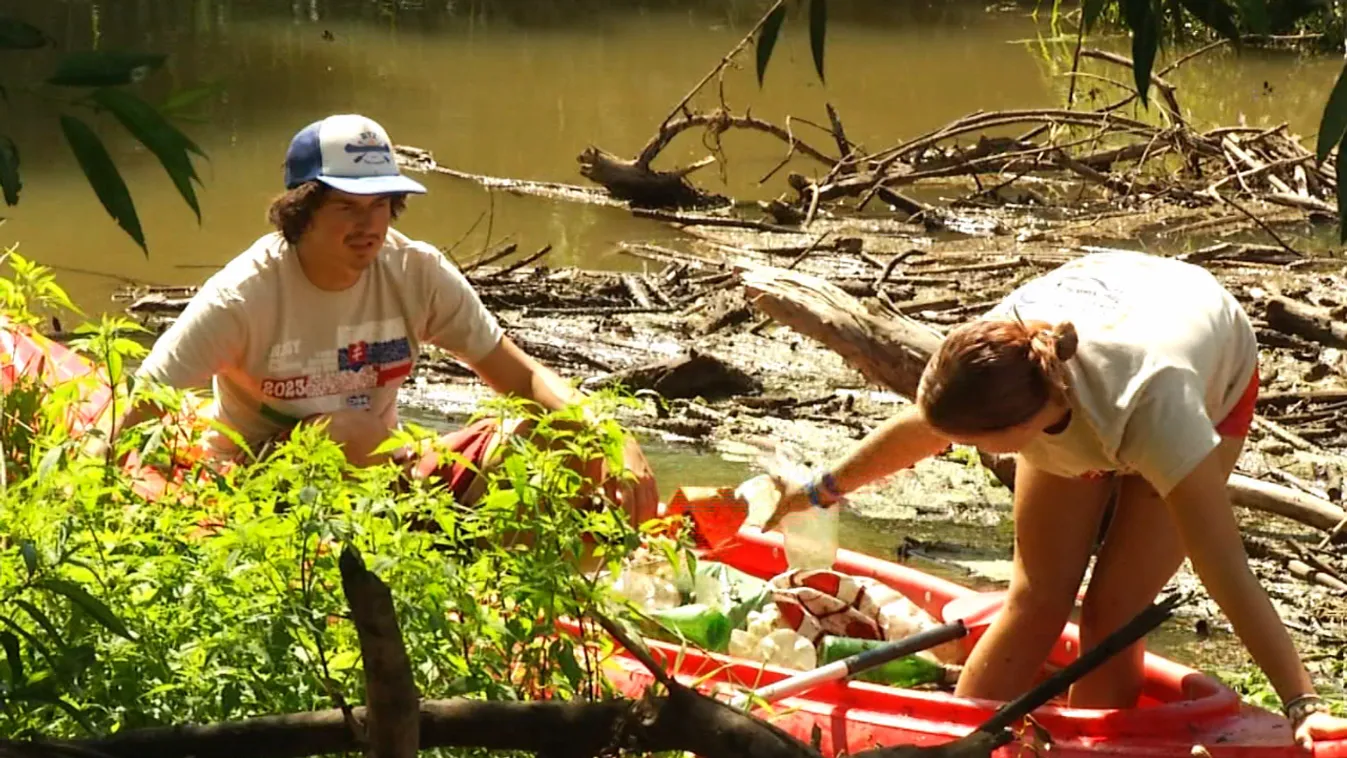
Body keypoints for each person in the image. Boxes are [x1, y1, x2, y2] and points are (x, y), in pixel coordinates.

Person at [759, 251, 1347, 750]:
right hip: (1121, 304)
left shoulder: (1157, 408)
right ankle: (963, 745)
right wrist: (816, 490)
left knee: (1113, 611)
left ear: (1024, 429)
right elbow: (925, 427)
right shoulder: (999, 353)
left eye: (970, 444)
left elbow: (1225, 565)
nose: (954, 449)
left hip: (1205, 365)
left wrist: (1301, 704)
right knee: (1036, 595)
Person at [95, 113, 658, 525]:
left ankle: (550, 596)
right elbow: (142, 405)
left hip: (389, 476)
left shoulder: (415, 272)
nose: (369, 225)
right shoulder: (243, 297)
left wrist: (611, 439)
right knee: (351, 428)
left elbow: (522, 377)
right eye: (347, 206)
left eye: (380, 205)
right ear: (302, 210)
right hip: (261, 490)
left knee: (553, 437)